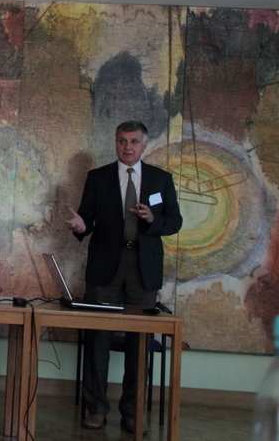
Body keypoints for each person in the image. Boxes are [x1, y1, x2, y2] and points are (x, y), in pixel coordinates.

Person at [65, 121, 182, 434]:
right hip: (105, 265)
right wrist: (80, 226)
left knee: (139, 342)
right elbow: (86, 218)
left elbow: (175, 221)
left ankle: (132, 411)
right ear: (115, 143)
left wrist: (153, 219)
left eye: (133, 141)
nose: (127, 147)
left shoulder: (160, 179)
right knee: (98, 338)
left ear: (144, 145)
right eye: (121, 141)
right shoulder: (98, 177)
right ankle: (96, 409)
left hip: (143, 267)